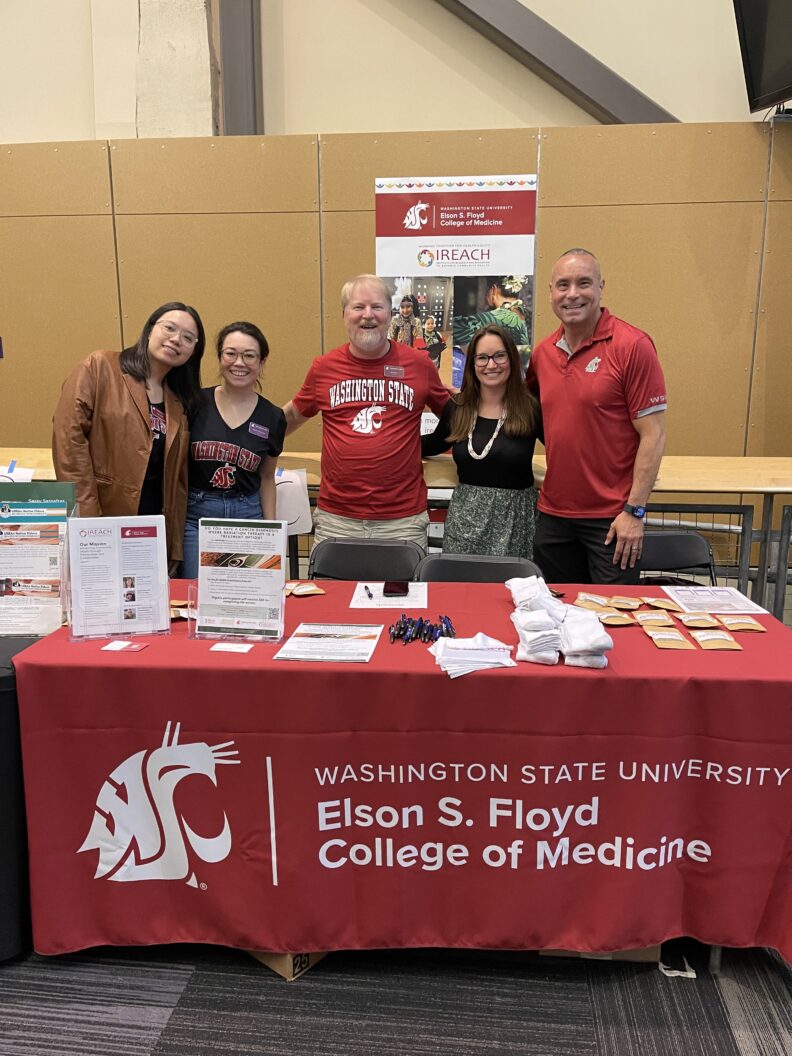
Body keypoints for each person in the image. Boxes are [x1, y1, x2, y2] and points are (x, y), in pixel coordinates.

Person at [526, 248, 667, 584]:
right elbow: (535, 416)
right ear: (550, 292)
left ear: (601, 287)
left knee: (611, 613)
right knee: (557, 610)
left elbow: (653, 434)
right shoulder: (543, 354)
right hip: (553, 516)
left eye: (583, 283)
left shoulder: (632, 346)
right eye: (563, 285)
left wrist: (635, 511)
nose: (572, 294)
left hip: (613, 519)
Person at [283, 274, 449, 546]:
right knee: (332, 578)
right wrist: (251, 441)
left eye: (377, 307)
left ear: (390, 314)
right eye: (358, 307)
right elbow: (291, 416)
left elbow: (456, 416)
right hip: (337, 519)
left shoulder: (420, 365)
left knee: (405, 578)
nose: (368, 315)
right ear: (344, 315)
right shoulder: (324, 368)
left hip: (403, 521)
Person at [52, 301, 205, 568]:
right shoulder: (100, 366)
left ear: (193, 351)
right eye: (169, 328)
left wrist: (173, 544)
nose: (176, 339)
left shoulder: (179, 401)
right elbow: (69, 439)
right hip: (102, 516)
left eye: (188, 338)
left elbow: (178, 481)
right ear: (150, 329)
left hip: (150, 528)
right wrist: (87, 518)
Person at [422, 325, 540, 559]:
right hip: (464, 524)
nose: (491, 365)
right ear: (472, 364)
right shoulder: (458, 407)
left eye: (499, 356)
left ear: (512, 359)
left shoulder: (531, 408)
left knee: (512, 583)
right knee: (462, 581)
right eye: (482, 357)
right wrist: (388, 442)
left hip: (515, 524)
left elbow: (562, 449)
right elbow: (433, 443)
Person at [181, 321, 286, 579]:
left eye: (249, 355)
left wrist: (272, 533)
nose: (239, 362)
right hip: (197, 517)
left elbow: (266, 478)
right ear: (220, 357)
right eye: (231, 353)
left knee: (247, 596)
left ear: (261, 362)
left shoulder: (273, 417)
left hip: (248, 515)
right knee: (198, 593)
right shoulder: (193, 404)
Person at [453, 276, 530, 350]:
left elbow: (455, 328)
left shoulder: (502, 316)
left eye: (487, 290)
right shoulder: (522, 311)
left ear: (494, 289)